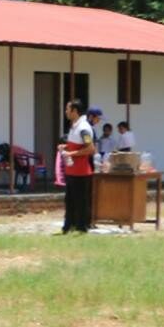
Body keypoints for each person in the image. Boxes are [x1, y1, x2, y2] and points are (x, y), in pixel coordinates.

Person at [60, 100, 96, 234]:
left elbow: (91, 149)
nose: (66, 112)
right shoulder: (74, 126)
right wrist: (65, 147)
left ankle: (82, 227)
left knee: (81, 202)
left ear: (75, 111)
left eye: (67, 109)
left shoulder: (84, 128)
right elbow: (75, 145)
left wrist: (71, 153)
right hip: (71, 171)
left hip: (81, 172)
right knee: (69, 201)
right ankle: (68, 226)